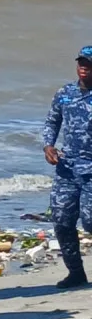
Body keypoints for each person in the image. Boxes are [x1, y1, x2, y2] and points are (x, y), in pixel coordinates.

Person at [42, 47, 92, 289]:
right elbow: (52, 121)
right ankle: (76, 273)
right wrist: (48, 146)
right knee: (61, 220)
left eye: (89, 64)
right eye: (81, 62)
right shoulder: (65, 93)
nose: (84, 67)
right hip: (67, 168)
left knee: (91, 221)